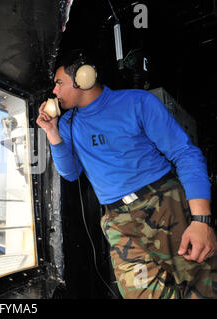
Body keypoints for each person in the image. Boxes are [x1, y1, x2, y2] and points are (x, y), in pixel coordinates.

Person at [37, 49, 217, 299]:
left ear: (84, 78)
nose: (54, 92)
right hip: (117, 220)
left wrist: (201, 220)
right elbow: (70, 173)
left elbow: (184, 153)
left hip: (164, 204)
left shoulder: (137, 102)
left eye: (59, 83)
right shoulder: (67, 124)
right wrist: (52, 133)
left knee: (200, 288)